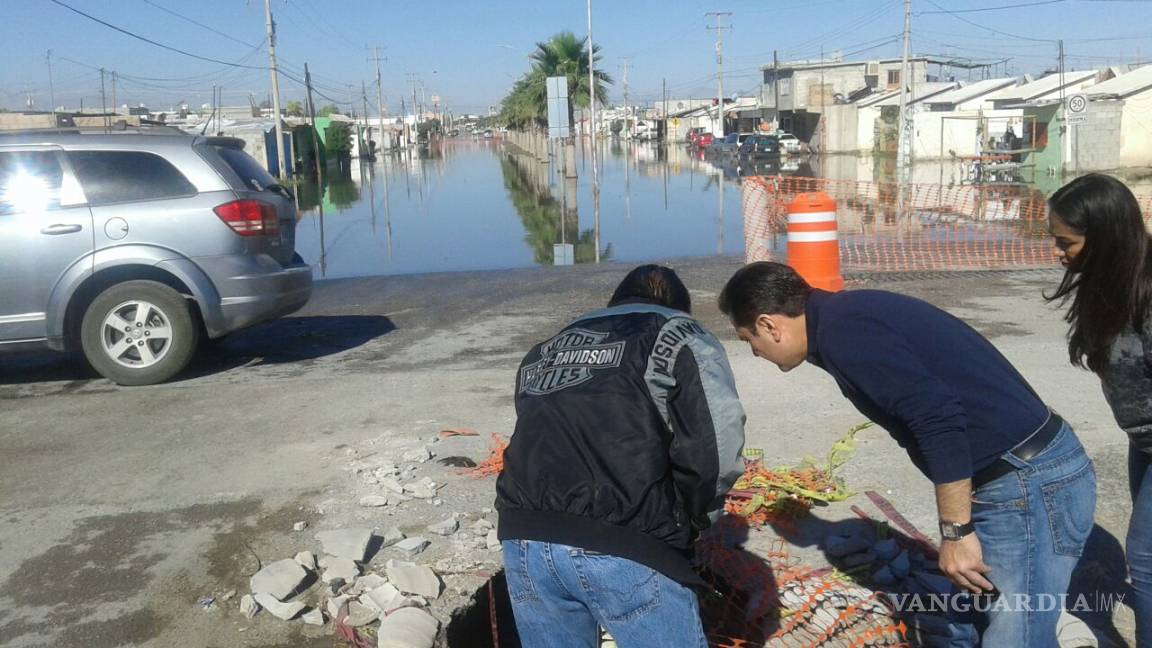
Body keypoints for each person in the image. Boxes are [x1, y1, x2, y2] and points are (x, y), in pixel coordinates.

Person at [718, 262, 1096, 647]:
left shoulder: (845, 333)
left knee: (1017, 632)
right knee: (971, 620)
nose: (755, 352)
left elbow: (938, 420)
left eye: (750, 339)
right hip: (1007, 476)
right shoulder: (841, 319)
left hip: (1027, 480)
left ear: (769, 325)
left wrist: (956, 532)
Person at [496, 265, 746, 648]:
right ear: (678, 307)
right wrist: (691, 523)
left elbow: (537, 431)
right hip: (626, 541)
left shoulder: (547, 348)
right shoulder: (680, 332)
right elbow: (714, 447)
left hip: (524, 540)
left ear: (615, 303)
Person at [1046, 173, 1152, 645]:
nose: (1057, 251)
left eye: (1065, 241)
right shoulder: (1108, 282)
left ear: (1104, 236)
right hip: (1143, 439)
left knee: (1146, 559)